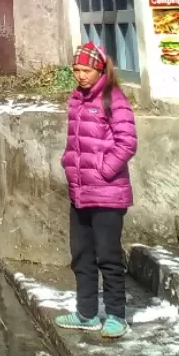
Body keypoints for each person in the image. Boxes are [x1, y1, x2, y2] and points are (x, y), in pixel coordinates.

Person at [56, 41, 137, 340]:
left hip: (107, 192)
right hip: (80, 191)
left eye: (86, 70)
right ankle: (86, 313)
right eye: (76, 70)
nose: (80, 75)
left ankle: (116, 315)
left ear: (100, 69)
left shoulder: (113, 98)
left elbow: (127, 143)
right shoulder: (76, 99)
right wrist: (69, 164)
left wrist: (103, 170)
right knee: (82, 255)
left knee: (108, 256)